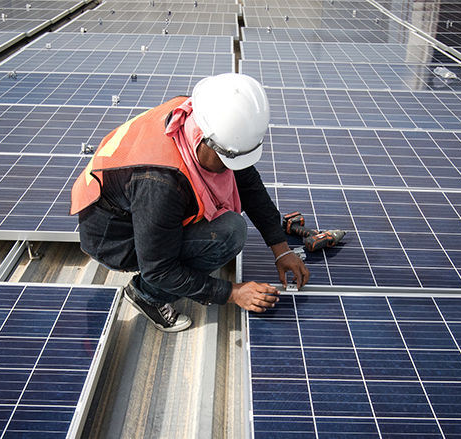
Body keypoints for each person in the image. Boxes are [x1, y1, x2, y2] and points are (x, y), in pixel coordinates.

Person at [70, 73, 309, 332]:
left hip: (138, 209)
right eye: (227, 160)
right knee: (230, 233)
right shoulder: (161, 184)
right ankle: (146, 296)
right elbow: (159, 270)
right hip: (114, 239)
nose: (231, 168)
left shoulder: (200, 114)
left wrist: (281, 249)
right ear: (206, 141)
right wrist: (232, 292)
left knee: (223, 223)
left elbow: (248, 182)